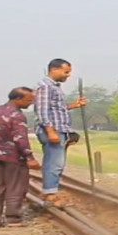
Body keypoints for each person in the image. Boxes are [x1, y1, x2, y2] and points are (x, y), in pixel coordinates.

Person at [0, 87, 41, 229]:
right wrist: (29, 157)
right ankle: (13, 218)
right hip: (14, 157)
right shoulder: (17, 115)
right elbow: (21, 138)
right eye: (28, 100)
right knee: (16, 186)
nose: (31, 103)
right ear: (17, 99)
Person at [33, 58, 88, 207]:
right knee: (54, 163)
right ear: (54, 70)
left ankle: (52, 191)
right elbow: (42, 111)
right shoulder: (45, 87)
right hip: (53, 130)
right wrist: (51, 132)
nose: (68, 75)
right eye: (66, 71)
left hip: (59, 129)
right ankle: (50, 195)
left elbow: (57, 109)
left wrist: (75, 105)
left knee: (57, 163)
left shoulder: (54, 87)